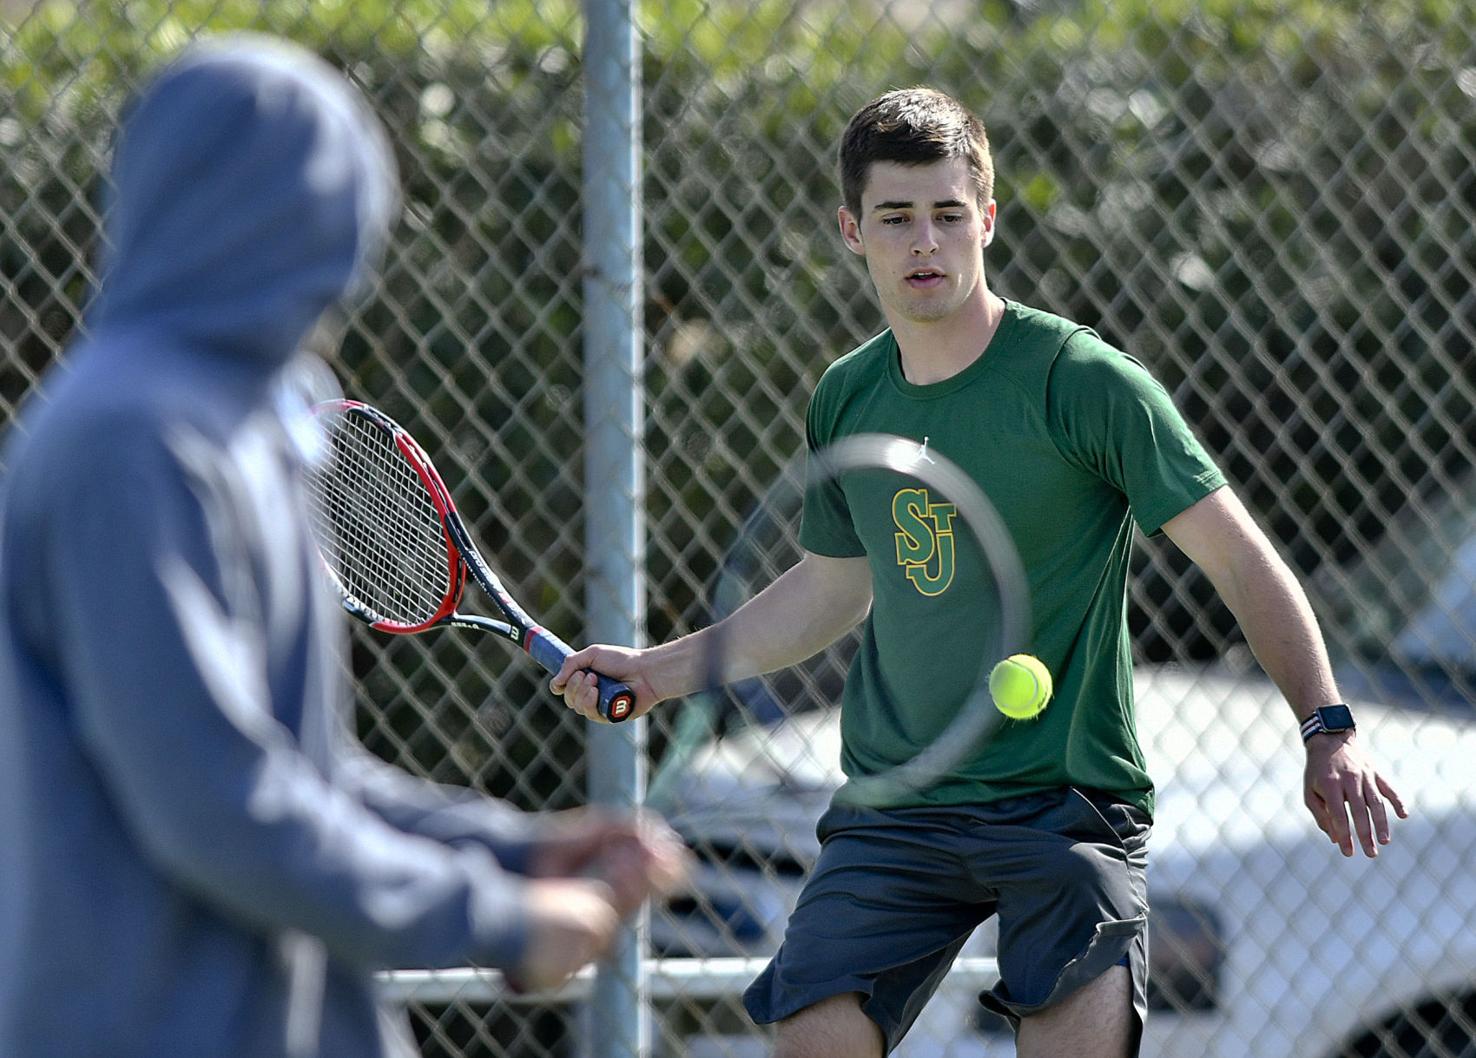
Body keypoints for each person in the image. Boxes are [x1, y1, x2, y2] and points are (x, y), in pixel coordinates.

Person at [553, 87, 1407, 1058]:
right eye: (896, 217)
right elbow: (832, 587)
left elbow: (1239, 556)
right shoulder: (850, 395)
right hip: (899, 803)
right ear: (852, 229)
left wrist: (1326, 725)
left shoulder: (1083, 382)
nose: (926, 242)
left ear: (987, 220)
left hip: (1067, 801)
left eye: (949, 215)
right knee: (816, 1036)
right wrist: (658, 670)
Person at [0, 36, 685, 1058]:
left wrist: (515, 848)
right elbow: (214, 800)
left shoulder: (251, 420)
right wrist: (492, 918)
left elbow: (302, 769)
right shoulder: (127, 442)